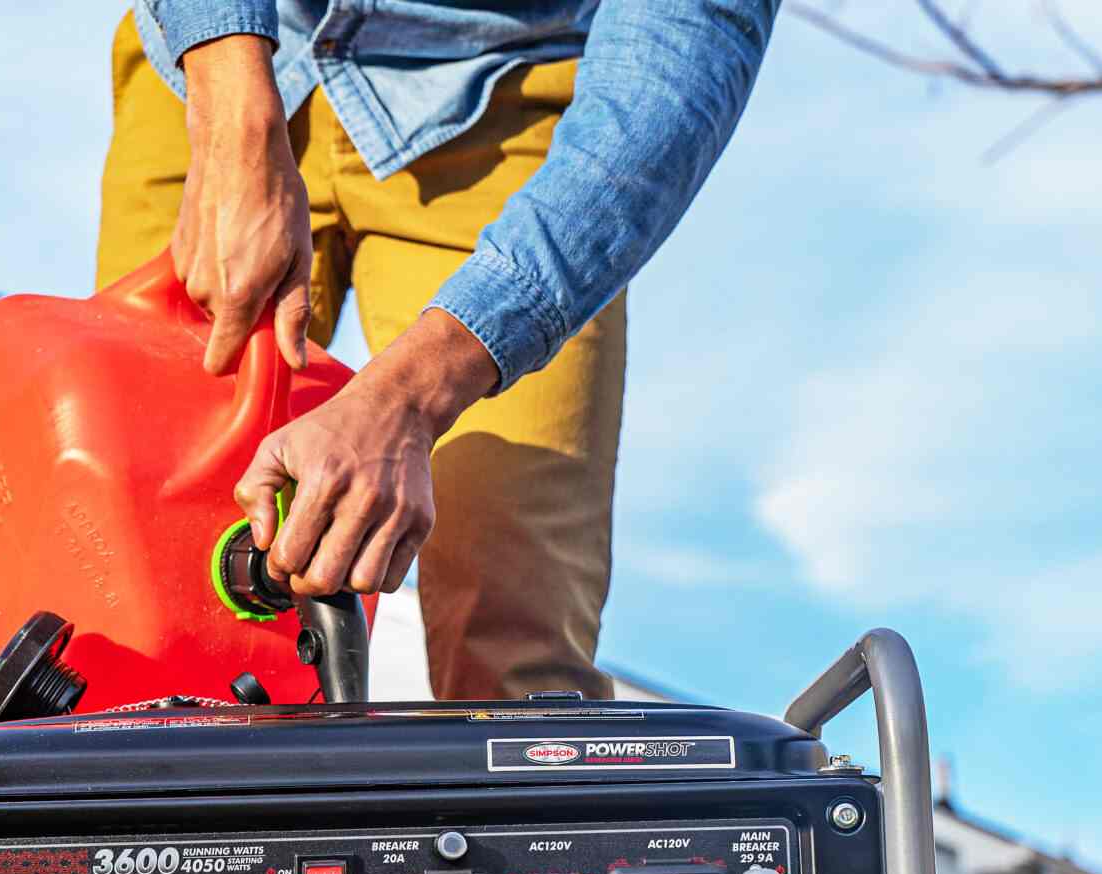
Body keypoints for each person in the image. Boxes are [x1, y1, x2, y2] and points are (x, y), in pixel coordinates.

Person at [97, 0, 779, 702]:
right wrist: (230, 119)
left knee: (517, 652)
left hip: (506, 98)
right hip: (224, 57)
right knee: (129, 570)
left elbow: (679, 46)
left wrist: (411, 398)